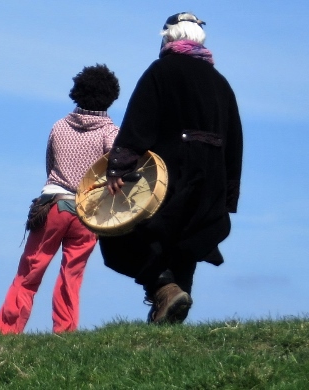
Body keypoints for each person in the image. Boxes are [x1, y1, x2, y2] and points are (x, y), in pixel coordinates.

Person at [102, 12, 243, 324]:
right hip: (211, 182)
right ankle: (171, 313)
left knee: (118, 233)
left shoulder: (161, 71)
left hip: (171, 174)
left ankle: (164, 289)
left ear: (167, 37)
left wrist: (118, 169)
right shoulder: (221, 84)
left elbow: (140, 122)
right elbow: (235, 141)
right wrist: (228, 195)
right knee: (187, 243)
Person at [0, 65, 120, 334]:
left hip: (52, 205)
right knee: (71, 276)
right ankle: (65, 331)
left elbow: (50, 166)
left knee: (29, 272)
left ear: (77, 92)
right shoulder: (111, 132)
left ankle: (7, 330)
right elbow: (118, 166)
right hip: (87, 213)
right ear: (111, 96)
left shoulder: (59, 126)